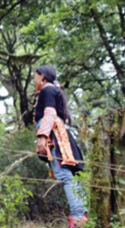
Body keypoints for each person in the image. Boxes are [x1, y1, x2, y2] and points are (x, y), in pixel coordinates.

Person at [34, 65, 87, 227]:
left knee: (65, 176)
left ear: (42, 77)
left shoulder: (47, 90)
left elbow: (49, 113)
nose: (34, 81)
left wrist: (42, 137)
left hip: (55, 138)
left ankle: (78, 217)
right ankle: (80, 215)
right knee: (70, 177)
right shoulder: (52, 90)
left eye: (35, 77)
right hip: (60, 136)